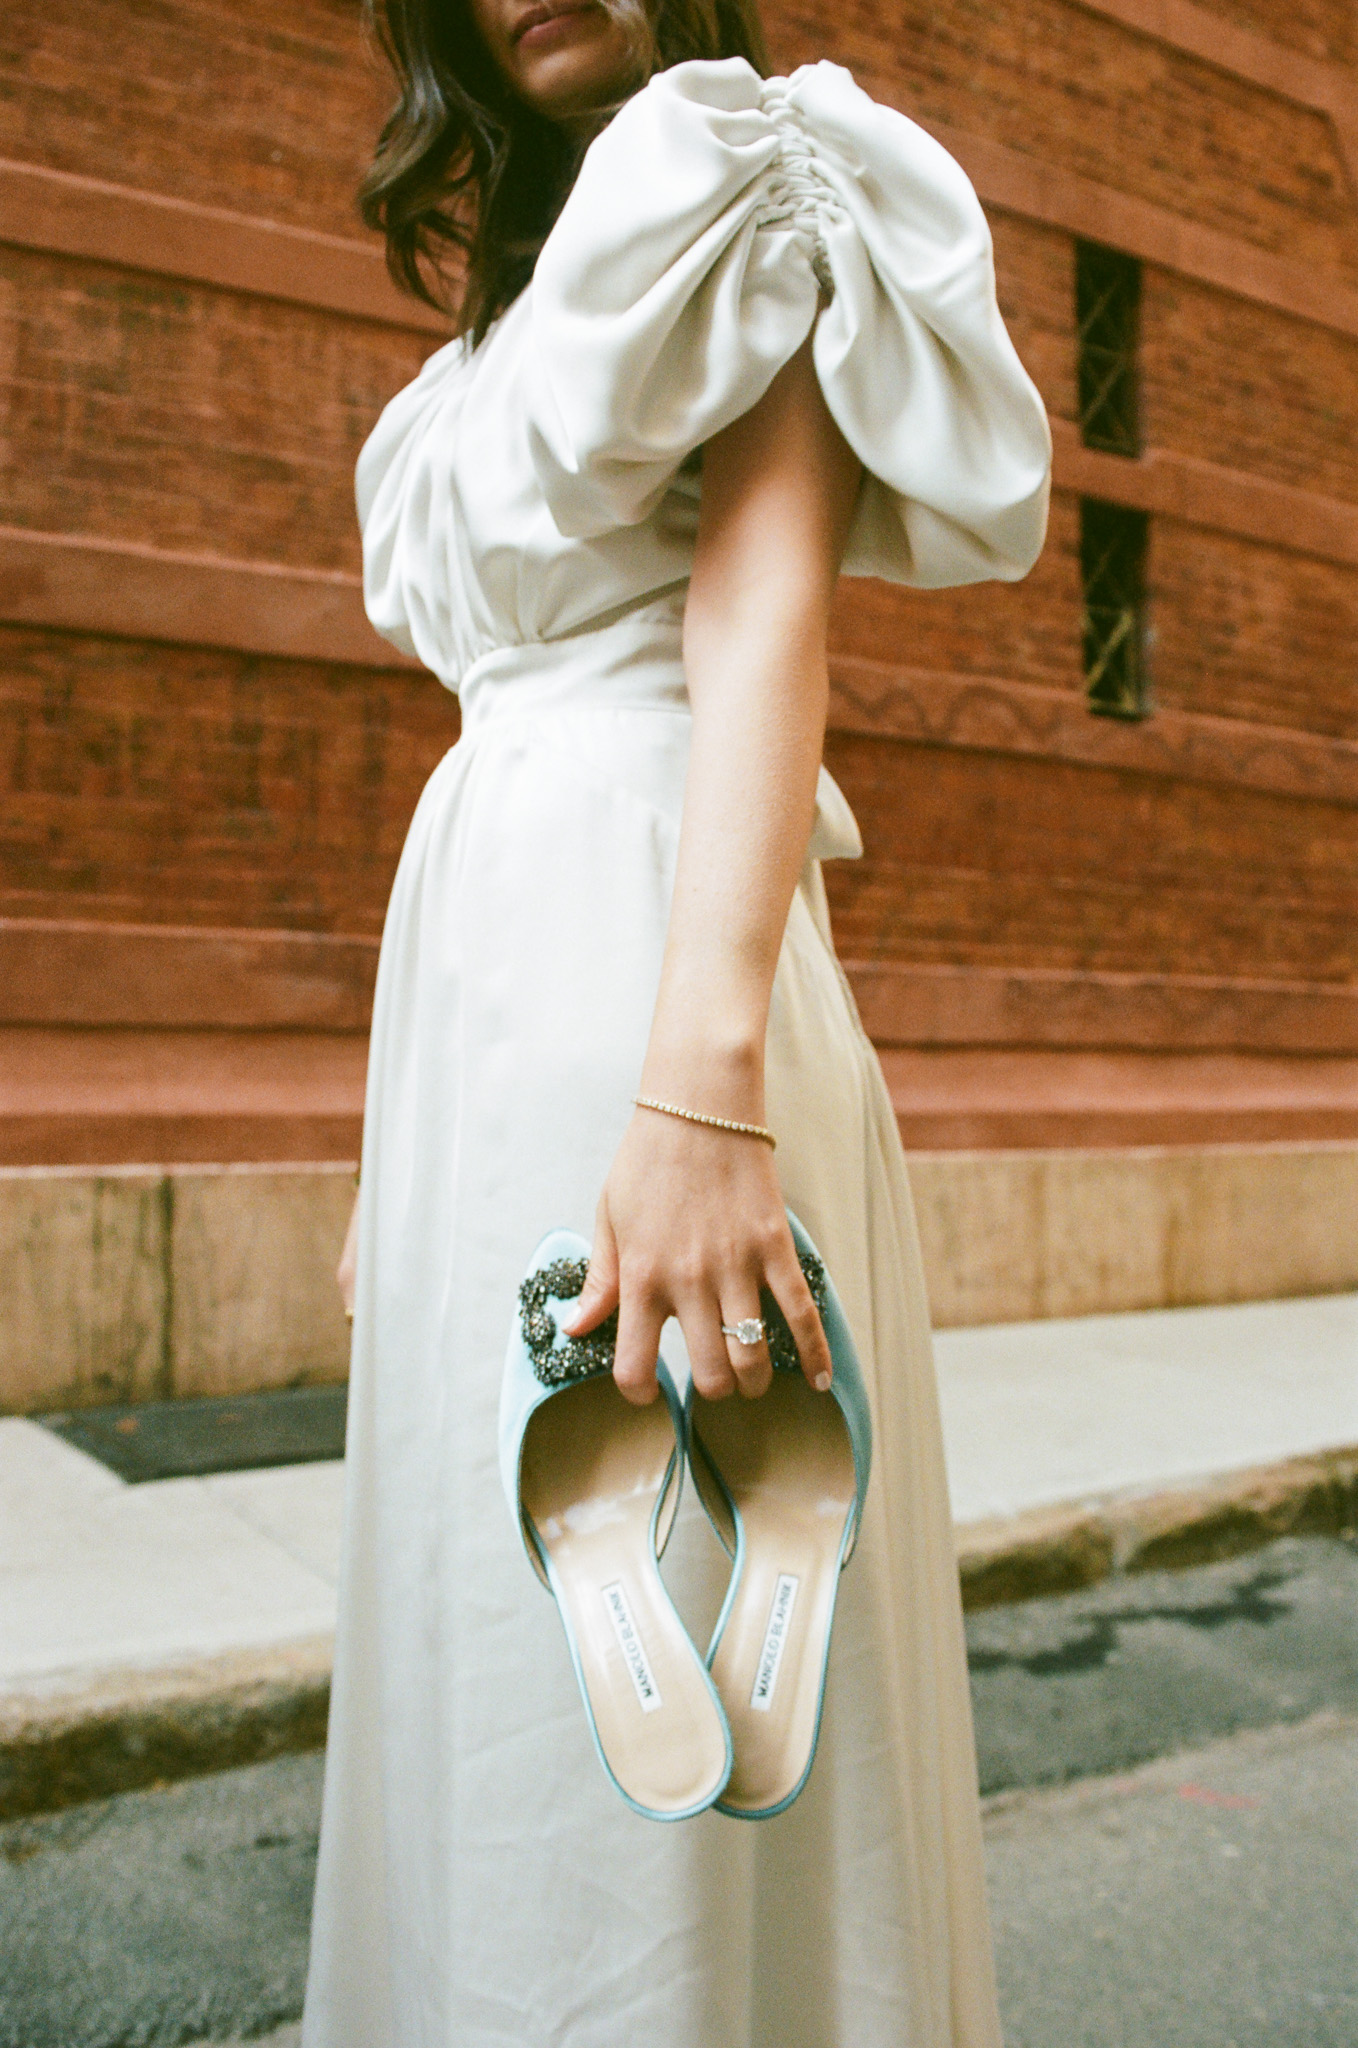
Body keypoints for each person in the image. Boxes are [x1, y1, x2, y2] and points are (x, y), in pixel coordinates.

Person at [302, 0, 1050, 2041]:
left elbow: (757, 611)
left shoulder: (742, 171)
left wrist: (704, 1085)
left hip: (660, 948)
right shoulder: (498, 331)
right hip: (484, 971)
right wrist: (398, 1148)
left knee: (687, 1626)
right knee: (503, 1628)